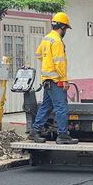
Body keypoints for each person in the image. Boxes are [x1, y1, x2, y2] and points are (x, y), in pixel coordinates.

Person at [30, 12, 78, 145]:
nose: (66, 31)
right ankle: (63, 135)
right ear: (62, 27)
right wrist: (64, 79)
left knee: (46, 106)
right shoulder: (57, 41)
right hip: (56, 80)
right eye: (66, 28)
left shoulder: (46, 38)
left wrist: (47, 64)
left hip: (47, 79)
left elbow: (38, 54)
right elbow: (59, 62)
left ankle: (35, 130)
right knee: (61, 107)